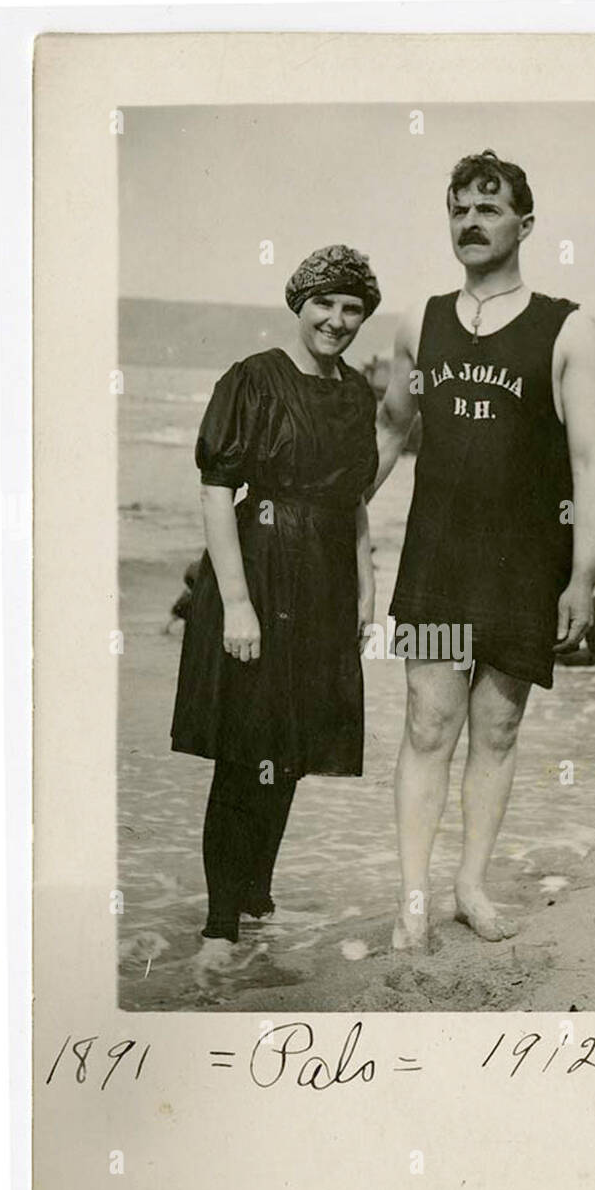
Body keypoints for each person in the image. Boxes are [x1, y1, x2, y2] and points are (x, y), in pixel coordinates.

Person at [371, 150, 595, 949]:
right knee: (426, 726)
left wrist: (581, 576)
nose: (469, 222)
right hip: (437, 564)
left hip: (522, 569)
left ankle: (469, 885)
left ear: (524, 224)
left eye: (488, 207)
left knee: (497, 730)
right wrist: (337, 513)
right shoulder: (420, 321)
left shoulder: (566, 325)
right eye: (458, 209)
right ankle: (413, 897)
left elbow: (590, 461)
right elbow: (391, 429)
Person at [170, 244, 381, 944]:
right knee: (244, 748)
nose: (337, 319)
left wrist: (366, 583)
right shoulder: (252, 380)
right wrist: (234, 602)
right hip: (258, 570)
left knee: (289, 749)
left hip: (325, 578)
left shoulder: (356, 393)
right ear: (300, 304)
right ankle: (219, 926)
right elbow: (215, 489)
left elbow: (353, 501)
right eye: (325, 303)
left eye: (352, 308)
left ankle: (257, 895)